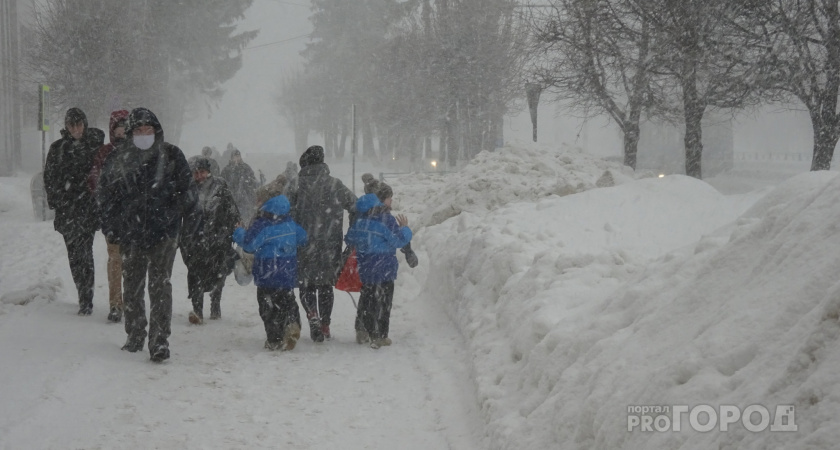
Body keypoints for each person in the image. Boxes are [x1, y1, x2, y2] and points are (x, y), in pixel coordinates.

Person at [98, 107, 197, 362]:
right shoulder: (119, 159)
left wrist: (173, 207)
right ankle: (134, 335)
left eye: (148, 130)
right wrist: (111, 226)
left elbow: (189, 193)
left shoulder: (171, 155)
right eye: (139, 130)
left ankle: (160, 340)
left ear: (156, 130)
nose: (144, 134)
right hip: (131, 234)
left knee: (160, 286)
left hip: (164, 234)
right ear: (131, 133)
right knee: (132, 286)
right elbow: (107, 196)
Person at [285, 145, 356, 342]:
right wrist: (352, 232)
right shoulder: (335, 184)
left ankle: (312, 315)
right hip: (329, 245)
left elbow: (282, 211)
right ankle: (325, 325)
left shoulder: (295, 185)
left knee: (306, 285)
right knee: (325, 286)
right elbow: (355, 205)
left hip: (302, 244)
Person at [44, 107, 105, 316]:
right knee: (74, 256)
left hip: (87, 210)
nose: (76, 129)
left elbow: (102, 173)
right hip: (68, 212)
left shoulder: (94, 146)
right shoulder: (58, 149)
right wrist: (57, 201)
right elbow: (49, 178)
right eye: (72, 125)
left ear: (85, 125)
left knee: (85, 253)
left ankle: (86, 299)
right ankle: (82, 290)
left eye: (79, 124)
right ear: (67, 127)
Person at [233, 195, 307, 351]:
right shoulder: (289, 223)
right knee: (287, 301)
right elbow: (303, 237)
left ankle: (274, 339)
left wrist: (238, 232)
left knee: (268, 307)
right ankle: (292, 323)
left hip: (267, 272)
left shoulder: (262, 224)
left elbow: (249, 246)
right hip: (287, 271)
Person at [344, 192, 412, 349]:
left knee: (368, 300)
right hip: (385, 268)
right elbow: (398, 240)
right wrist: (405, 229)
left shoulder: (359, 223)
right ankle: (380, 336)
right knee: (383, 302)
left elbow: (349, 239)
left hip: (366, 269)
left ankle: (364, 331)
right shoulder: (386, 221)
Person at [180, 156, 241, 324]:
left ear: (208, 172)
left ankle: (215, 305)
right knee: (195, 273)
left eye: (202, 172)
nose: (199, 176)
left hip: (219, 237)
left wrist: (235, 225)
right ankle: (197, 309)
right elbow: (180, 212)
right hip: (194, 239)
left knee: (218, 272)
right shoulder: (188, 188)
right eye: (196, 173)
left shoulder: (220, 185)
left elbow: (231, 208)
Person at [88, 109, 130, 322]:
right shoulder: (104, 153)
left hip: (134, 217)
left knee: (132, 262)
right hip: (113, 215)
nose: (122, 131)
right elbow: (95, 180)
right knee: (115, 260)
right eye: (118, 127)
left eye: (125, 126)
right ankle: (116, 304)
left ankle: (131, 301)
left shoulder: (138, 150)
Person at [361, 174, 419, 268]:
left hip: (364, 267)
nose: (391, 200)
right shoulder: (385, 218)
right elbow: (399, 240)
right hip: (382, 268)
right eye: (389, 198)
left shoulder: (363, 214)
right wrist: (405, 228)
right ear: (380, 200)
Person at [221, 147, 258, 220]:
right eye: (235, 156)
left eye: (238, 156)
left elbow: (253, 181)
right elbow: (223, 183)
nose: (237, 158)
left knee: (245, 218)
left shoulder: (246, 167)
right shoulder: (226, 169)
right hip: (232, 199)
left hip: (245, 200)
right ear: (231, 158)